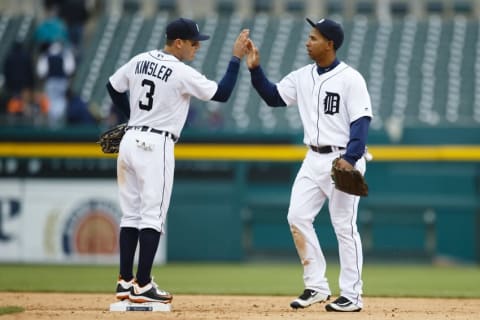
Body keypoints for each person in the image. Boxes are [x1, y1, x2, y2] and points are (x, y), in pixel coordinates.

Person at [106, 18, 249, 303]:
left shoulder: (139, 59)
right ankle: (143, 284)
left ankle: (124, 281)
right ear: (178, 42)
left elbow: (112, 86)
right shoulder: (180, 71)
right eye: (193, 42)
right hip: (155, 143)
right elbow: (221, 93)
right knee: (152, 216)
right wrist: (235, 58)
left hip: (130, 140)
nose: (197, 47)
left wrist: (132, 117)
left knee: (131, 215)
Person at [245, 18, 372, 312]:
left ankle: (352, 295)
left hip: (342, 158)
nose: (307, 41)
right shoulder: (302, 76)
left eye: (314, 38)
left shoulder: (350, 78)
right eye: (309, 37)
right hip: (313, 158)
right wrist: (255, 69)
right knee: (297, 216)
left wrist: (350, 160)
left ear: (329, 44)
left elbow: (361, 121)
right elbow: (274, 97)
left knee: (344, 226)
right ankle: (316, 286)